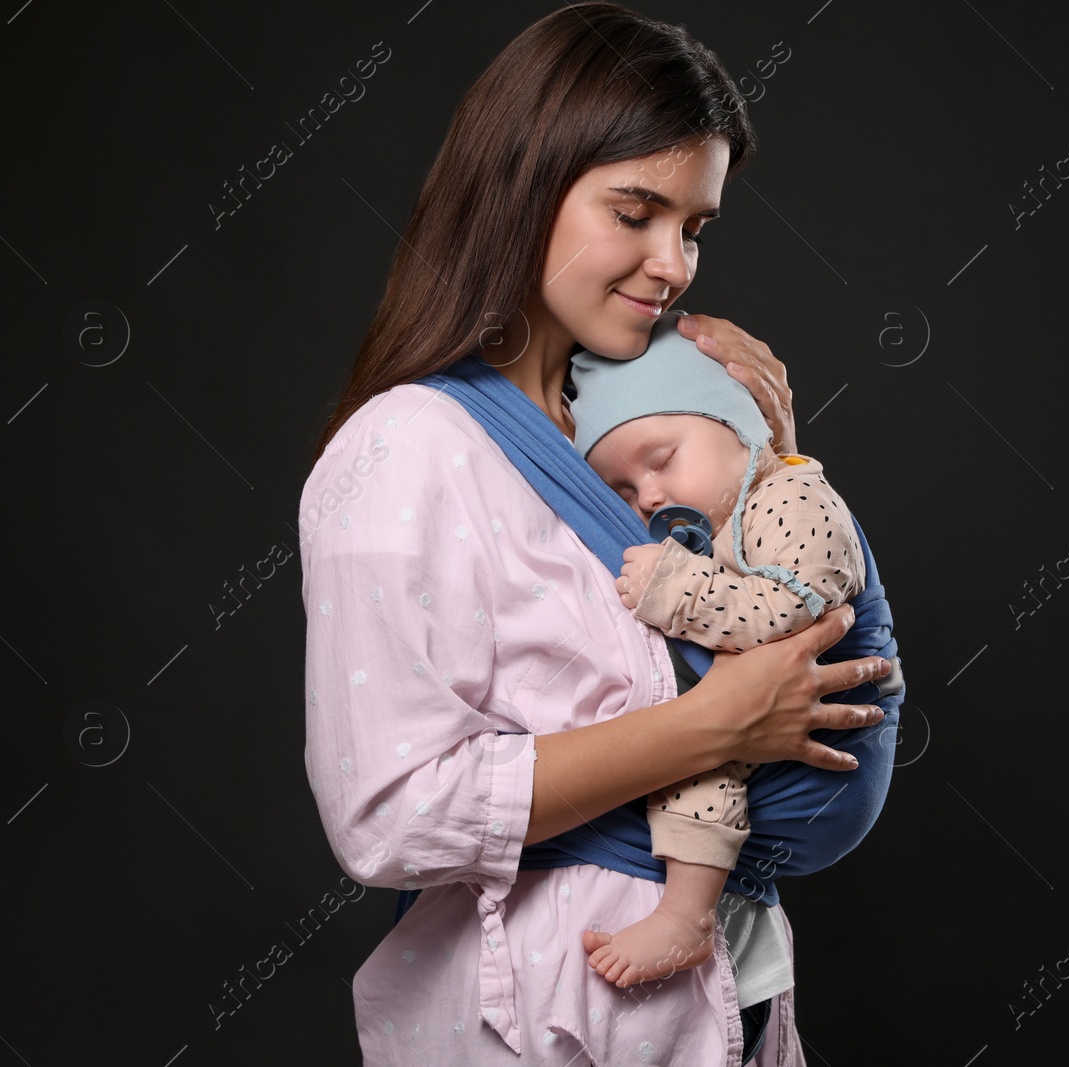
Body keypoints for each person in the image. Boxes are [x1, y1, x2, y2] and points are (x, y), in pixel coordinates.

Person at [299, 5, 903, 1064]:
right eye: (635, 211)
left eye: (696, 227)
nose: (672, 263)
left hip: (725, 998)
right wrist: (709, 728)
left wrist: (768, 461)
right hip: (541, 1016)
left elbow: (779, 617)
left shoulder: (637, 435)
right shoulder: (408, 449)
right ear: (524, 184)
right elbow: (386, 813)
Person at [566, 315, 867, 989]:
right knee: (691, 740)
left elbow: (791, 612)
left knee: (697, 757)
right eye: (622, 489)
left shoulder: (793, 495)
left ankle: (687, 914)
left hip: (831, 741)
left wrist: (677, 588)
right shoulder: (732, 516)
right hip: (778, 744)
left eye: (662, 459)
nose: (649, 495)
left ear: (741, 428)